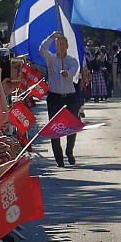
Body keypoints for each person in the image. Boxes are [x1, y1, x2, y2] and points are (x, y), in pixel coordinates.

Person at [38, 31, 82, 167]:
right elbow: (42, 49)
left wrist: (67, 73)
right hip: (55, 97)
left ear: (67, 46)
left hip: (69, 97)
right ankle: (59, 157)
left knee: (72, 126)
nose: (61, 46)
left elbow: (73, 71)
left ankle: (69, 151)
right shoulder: (51, 59)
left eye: (63, 44)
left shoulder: (72, 61)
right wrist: (51, 37)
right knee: (55, 128)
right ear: (56, 46)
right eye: (58, 44)